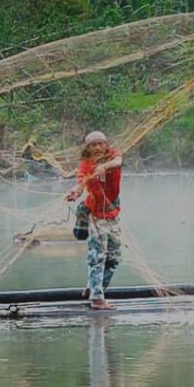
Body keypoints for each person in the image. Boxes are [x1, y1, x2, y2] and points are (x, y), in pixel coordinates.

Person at [66, 130, 123, 308]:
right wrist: (75, 192)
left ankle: (93, 288)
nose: (98, 147)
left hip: (112, 213)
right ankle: (97, 299)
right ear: (88, 148)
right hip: (95, 214)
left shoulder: (113, 155)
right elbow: (81, 183)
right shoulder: (85, 164)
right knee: (97, 255)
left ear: (106, 145)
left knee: (114, 257)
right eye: (93, 145)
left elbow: (118, 162)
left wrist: (104, 167)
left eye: (100, 144)